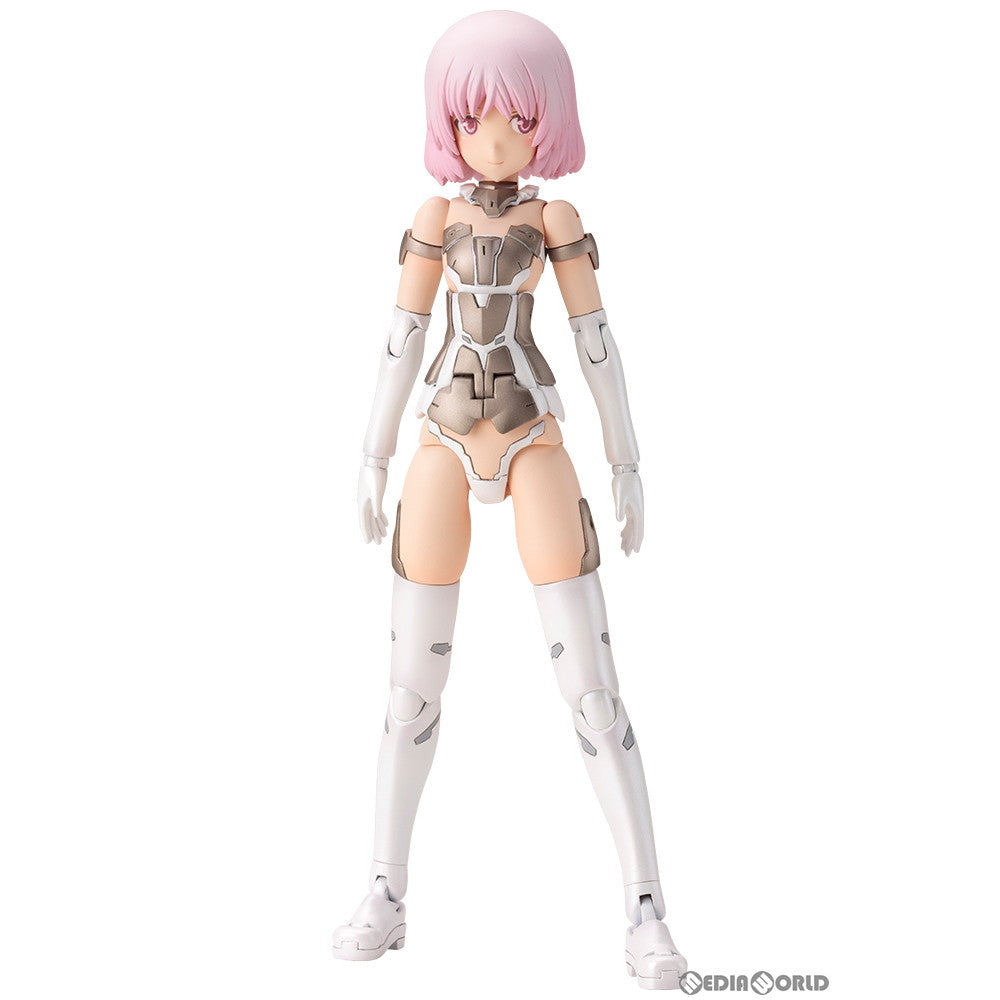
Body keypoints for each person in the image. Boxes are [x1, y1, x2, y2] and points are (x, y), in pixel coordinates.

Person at [333, 11, 687, 990]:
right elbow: (402, 336)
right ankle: (384, 888)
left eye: (517, 118)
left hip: (531, 433)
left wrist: (625, 461)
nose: (493, 137)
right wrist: (371, 453)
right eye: (472, 116)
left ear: (548, 121)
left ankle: (646, 908)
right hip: (444, 434)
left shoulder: (555, 221)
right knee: (409, 688)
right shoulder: (433, 217)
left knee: (592, 687)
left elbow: (597, 343)